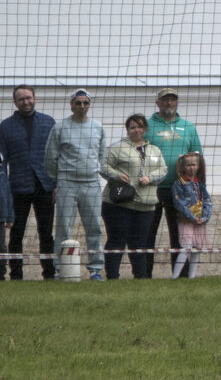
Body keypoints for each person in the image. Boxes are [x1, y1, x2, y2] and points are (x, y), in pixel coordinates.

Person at [44, 89, 105, 280]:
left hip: (91, 184)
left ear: (89, 105)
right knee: (63, 227)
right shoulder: (60, 127)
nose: (82, 107)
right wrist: (62, 178)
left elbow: (101, 156)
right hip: (67, 184)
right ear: (71, 105)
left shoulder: (97, 127)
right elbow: (50, 158)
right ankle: (60, 269)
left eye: (85, 103)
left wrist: (92, 171)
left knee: (94, 226)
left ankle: (95, 269)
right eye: (78, 103)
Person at [100, 114, 166, 279]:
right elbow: (102, 166)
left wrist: (150, 178)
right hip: (119, 204)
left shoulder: (154, 150)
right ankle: (112, 277)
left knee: (140, 244)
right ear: (127, 130)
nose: (137, 130)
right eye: (133, 127)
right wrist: (115, 174)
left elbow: (163, 170)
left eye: (140, 126)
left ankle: (140, 278)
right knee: (117, 241)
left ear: (145, 129)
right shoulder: (117, 148)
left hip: (146, 206)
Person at [145, 87, 202, 278]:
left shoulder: (188, 127)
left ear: (177, 102)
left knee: (180, 235)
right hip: (152, 188)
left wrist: (198, 189)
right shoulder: (147, 125)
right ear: (158, 103)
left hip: (181, 189)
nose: (169, 103)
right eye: (165, 100)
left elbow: (197, 158)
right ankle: (143, 275)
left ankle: (181, 276)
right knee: (148, 234)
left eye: (173, 100)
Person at [1, 85, 56, 280]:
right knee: (16, 234)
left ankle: (49, 273)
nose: (26, 102)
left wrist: (56, 184)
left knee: (46, 233)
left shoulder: (49, 123)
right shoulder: (5, 126)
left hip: (45, 186)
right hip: (18, 188)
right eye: (21, 99)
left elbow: (55, 155)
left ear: (35, 98)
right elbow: (2, 162)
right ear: (15, 102)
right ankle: (16, 274)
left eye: (29, 98)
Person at [171, 152, 211, 279]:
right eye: (188, 165)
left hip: (200, 220)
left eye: (193, 165)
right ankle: (175, 276)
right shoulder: (179, 184)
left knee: (197, 247)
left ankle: (191, 277)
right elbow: (179, 203)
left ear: (198, 166)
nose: (191, 168)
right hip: (186, 220)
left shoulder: (201, 184)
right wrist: (192, 218)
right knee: (186, 247)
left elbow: (207, 201)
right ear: (183, 167)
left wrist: (204, 217)